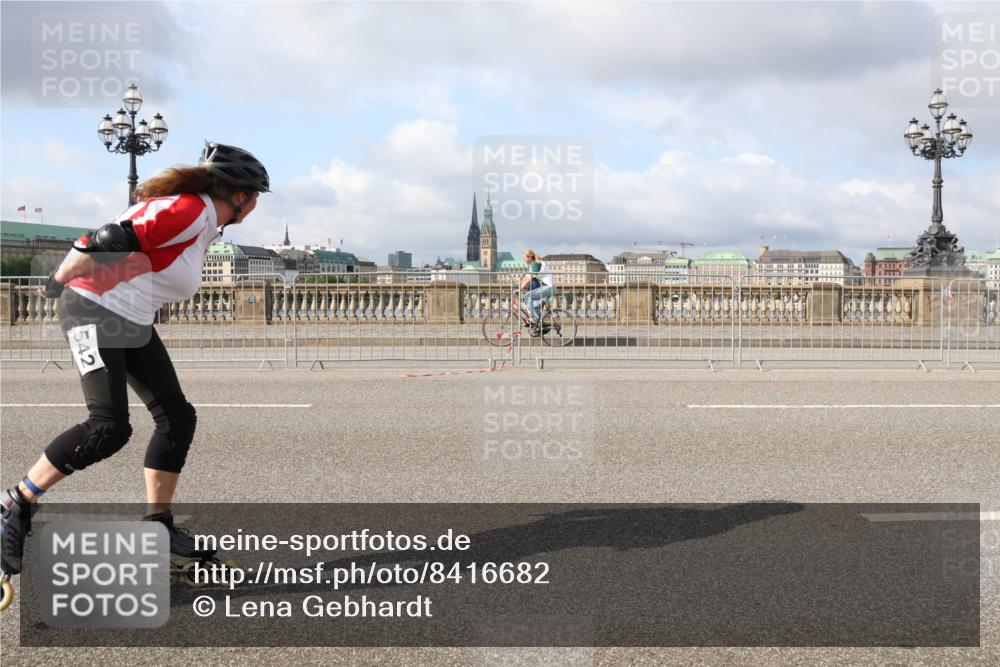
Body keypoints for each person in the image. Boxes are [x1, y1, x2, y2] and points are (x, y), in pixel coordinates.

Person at [0, 142, 270, 595]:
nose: (258, 203)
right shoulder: (191, 210)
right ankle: (16, 503)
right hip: (92, 310)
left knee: (177, 417)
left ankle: (158, 526)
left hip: (129, 319)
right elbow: (101, 239)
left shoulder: (204, 221)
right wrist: (58, 280)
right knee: (108, 427)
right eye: (257, 194)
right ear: (240, 195)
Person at [518, 249, 555, 335]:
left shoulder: (535, 264)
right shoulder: (532, 266)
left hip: (548, 287)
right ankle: (538, 325)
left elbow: (530, 277)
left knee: (527, 297)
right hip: (544, 287)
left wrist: (520, 289)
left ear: (529, 257)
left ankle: (535, 320)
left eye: (524, 258)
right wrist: (521, 281)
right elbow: (526, 278)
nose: (524, 260)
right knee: (533, 305)